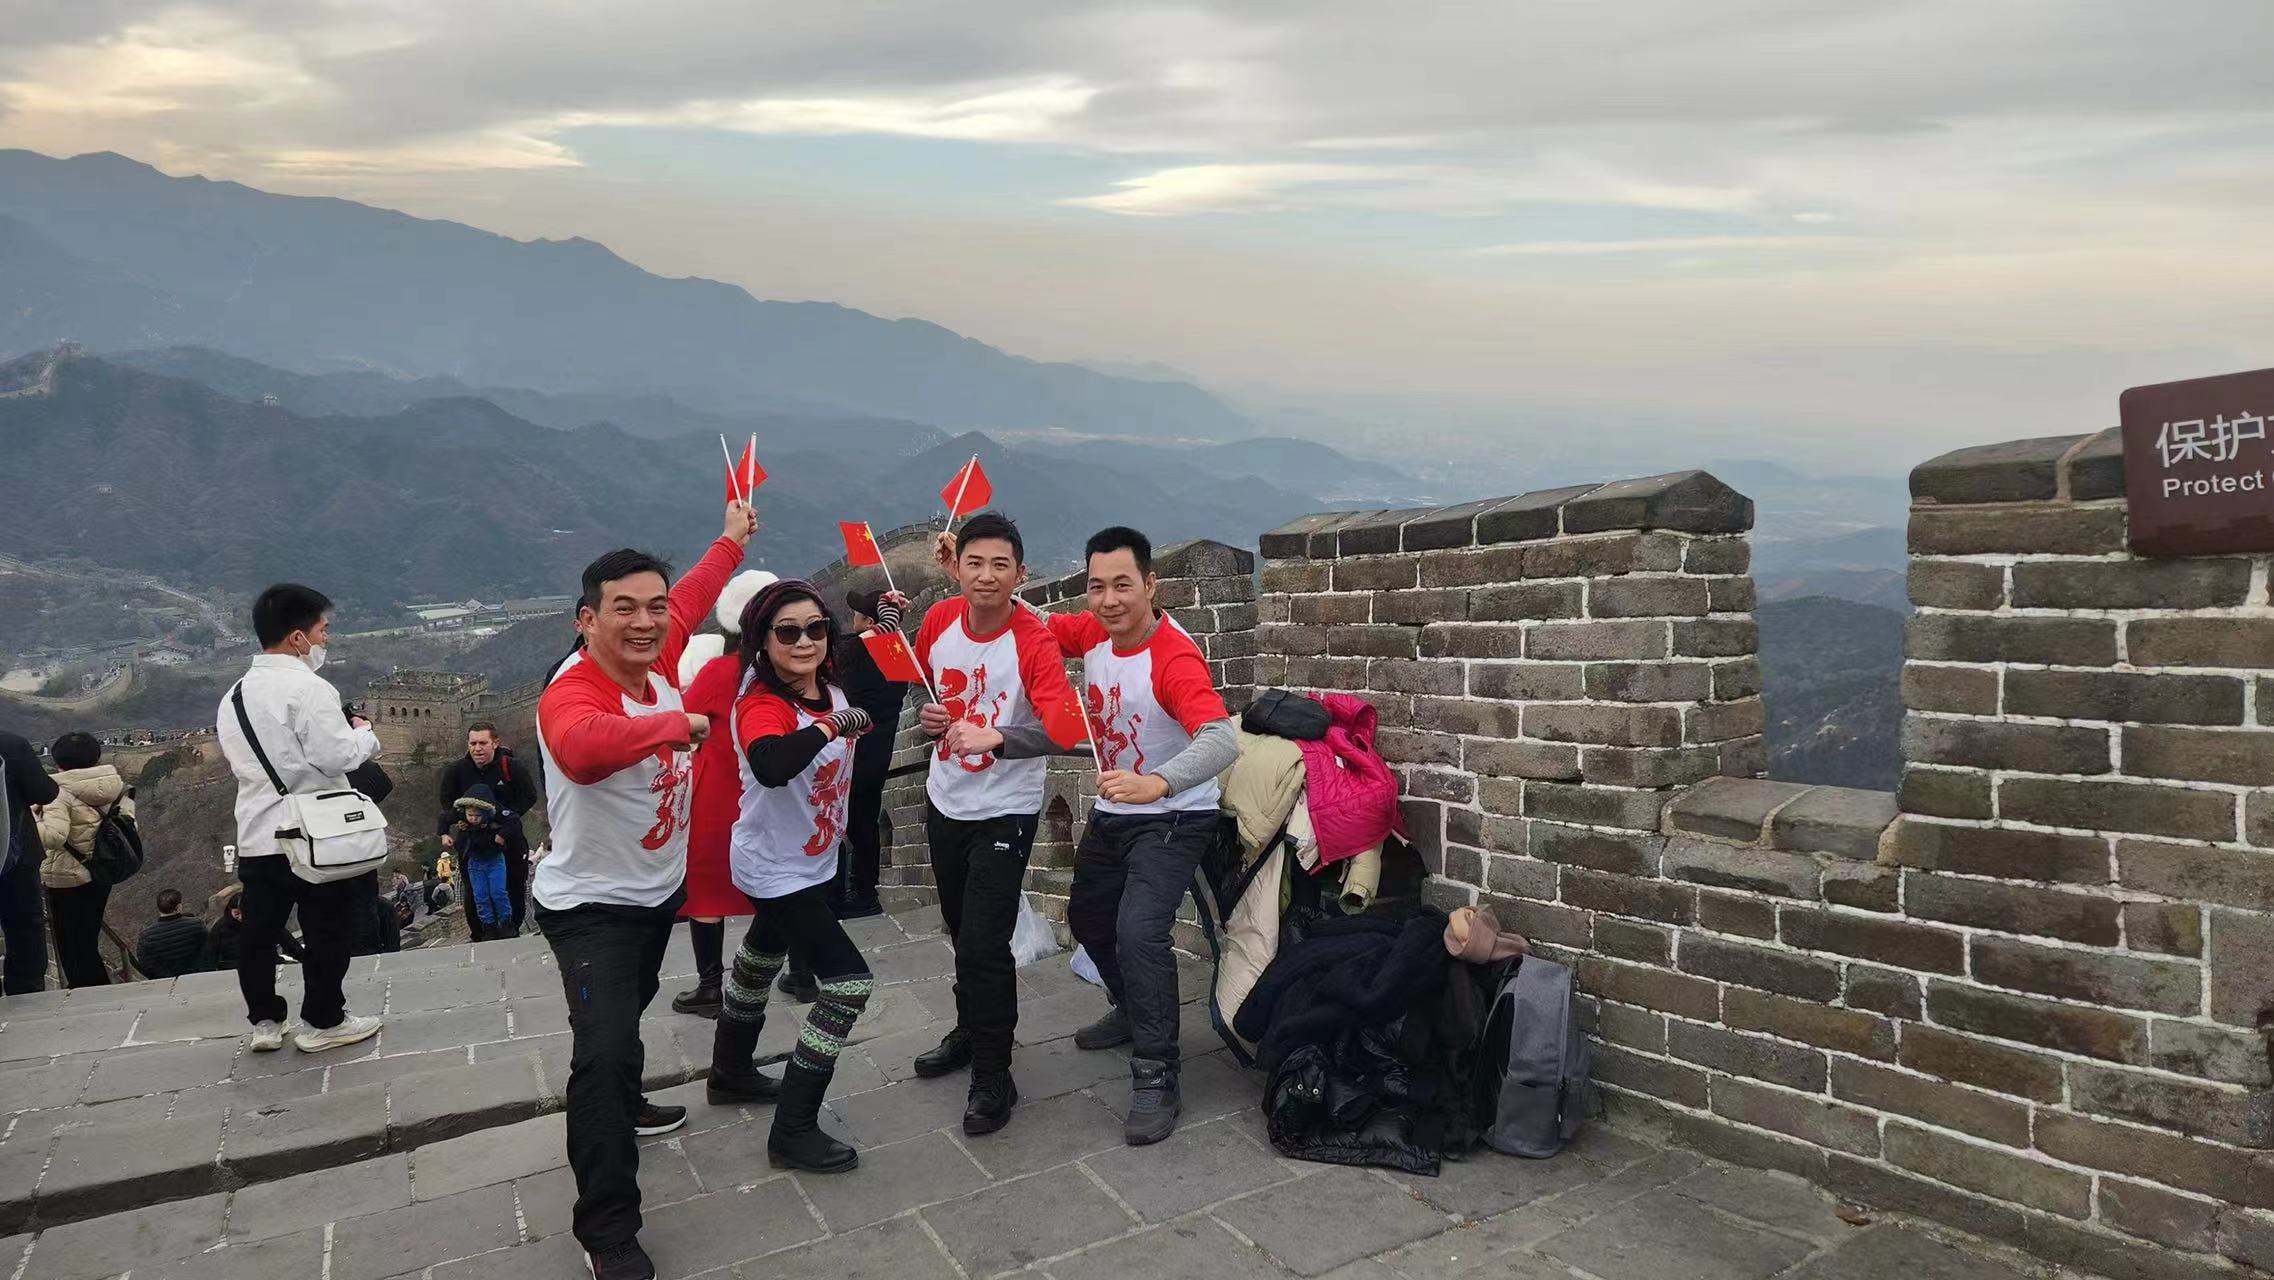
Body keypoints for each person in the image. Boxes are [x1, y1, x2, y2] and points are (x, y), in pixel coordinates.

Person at [950, 526, 1237, 1145]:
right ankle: (1134, 1009)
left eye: (1122, 586)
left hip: (1174, 816)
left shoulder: (1172, 658)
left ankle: (1158, 1073)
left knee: (1139, 931)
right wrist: (974, 573)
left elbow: (1221, 739)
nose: (1108, 600)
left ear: (1151, 586)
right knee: (1088, 917)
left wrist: (1158, 782)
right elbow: (1029, 621)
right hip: (1116, 813)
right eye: (1097, 586)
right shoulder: (1095, 631)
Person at [531, 501, 752, 1280]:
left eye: (652, 608)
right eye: (622, 608)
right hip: (590, 908)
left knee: (629, 1015)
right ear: (586, 620)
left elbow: (691, 593)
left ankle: (627, 1102)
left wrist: (732, 538)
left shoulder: (661, 650)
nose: (646, 621)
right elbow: (580, 750)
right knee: (603, 1051)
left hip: (656, 894)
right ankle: (607, 1228)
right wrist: (672, 726)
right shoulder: (572, 691)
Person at [907, 512, 1088, 1136]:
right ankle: (968, 1029)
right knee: (961, 929)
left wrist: (1000, 737)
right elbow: (923, 686)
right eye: (975, 563)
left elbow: (1064, 729)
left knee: (985, 943)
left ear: (1020, 574)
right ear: (956, 567)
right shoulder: (938, 620)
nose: (986, 576)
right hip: (945, 799)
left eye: (1000, 565)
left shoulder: (1032, 640)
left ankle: (993, 1071)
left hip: (1005, 809)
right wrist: (931, 715)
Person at [704, 579, 881, 1173]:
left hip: (812, 860)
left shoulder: (829, 687)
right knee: (848, 985)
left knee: (760, 959)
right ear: (762, 641)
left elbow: (876, 646)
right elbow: (771, 763)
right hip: (776, 868)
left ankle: (729, 1071)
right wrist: (833, 727)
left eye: (815, 628)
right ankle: (793, 1128)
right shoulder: (762, 704)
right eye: (788, 632)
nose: (804, 641)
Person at [215, 582, 385, 1054]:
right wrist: (366, 735)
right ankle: (324, 1020)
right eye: (322, 630)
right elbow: (336, 757)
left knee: (259, 931)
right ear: (297, 637)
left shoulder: (233, 697)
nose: (325, 639)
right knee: (327, 926)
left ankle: (265, 1021)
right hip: (314, 834)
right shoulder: (310, 688)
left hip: (259, 830)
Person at [667, 569, 778, 1019]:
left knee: (708, 887)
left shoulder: (718, 671)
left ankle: (711, 986)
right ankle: (800, 972)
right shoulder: (782, 673)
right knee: (781, 883)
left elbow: (682, 719)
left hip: (718, 792)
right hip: (771, 788)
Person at [829, 588, 912, 920]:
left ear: (867, 622)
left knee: (846, 821)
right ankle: (863, 889)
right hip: (881, 747)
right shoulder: (896, 653)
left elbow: (839, 653)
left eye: (858, 614)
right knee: (865, 819)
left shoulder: (857, 653)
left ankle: (853, 893)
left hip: (855, 750)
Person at [35, 731, 131, 988]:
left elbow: (53, 836)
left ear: (58, 762)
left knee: (70, 945)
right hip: (102, 870)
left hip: (66, 877)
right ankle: (95, 988)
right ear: (96, 757)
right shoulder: (115, 786)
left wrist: (32, 819)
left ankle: (87, 992)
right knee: (87, 938)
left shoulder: (55, 792)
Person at [436, 722, 542, 939]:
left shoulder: (511, 767)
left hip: (508, 840)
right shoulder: (457, 770)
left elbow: (529, 796)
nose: (477, 748)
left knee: (512, 886)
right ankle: (482, 933)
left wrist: (505, 818)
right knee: (476, 891)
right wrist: (464, 819)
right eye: (473, 743)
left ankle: (510, 929)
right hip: (473, 842)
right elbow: (447, 802)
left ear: (495, 743)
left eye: (483, 743)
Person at [1, 729, 60, 994]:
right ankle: (26, 992)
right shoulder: (10, 744)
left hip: (16, 854)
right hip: (15, 854)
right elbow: (44, 792)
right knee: (24, 925)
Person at [449, 785, 517, 935]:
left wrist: (501, 836)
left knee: (498, 893)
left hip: (494, 861)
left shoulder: (494, 824)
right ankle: (488, 925)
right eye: (470, 815)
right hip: (475, 864)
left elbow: (513, 820)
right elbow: (459, 845)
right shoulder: (465, 828)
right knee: (480, 896)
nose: (473, 819)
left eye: (477, 816)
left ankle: (506, 922)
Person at [203, 890, 306, 970]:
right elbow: (210, 954)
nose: (241, 917)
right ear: (230, 911)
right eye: (237, 913)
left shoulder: (267, 921)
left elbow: (290, 944)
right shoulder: (220, 927)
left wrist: (307, 960)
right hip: (233, 968)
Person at [135, 888, 212, 978]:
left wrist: (165, 977)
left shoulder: (146, 936)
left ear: (159, 908)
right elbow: (209, 952)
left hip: (167, 982)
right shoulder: (197, 925)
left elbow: (146, 964)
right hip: (198, 977)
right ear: (179, 907)